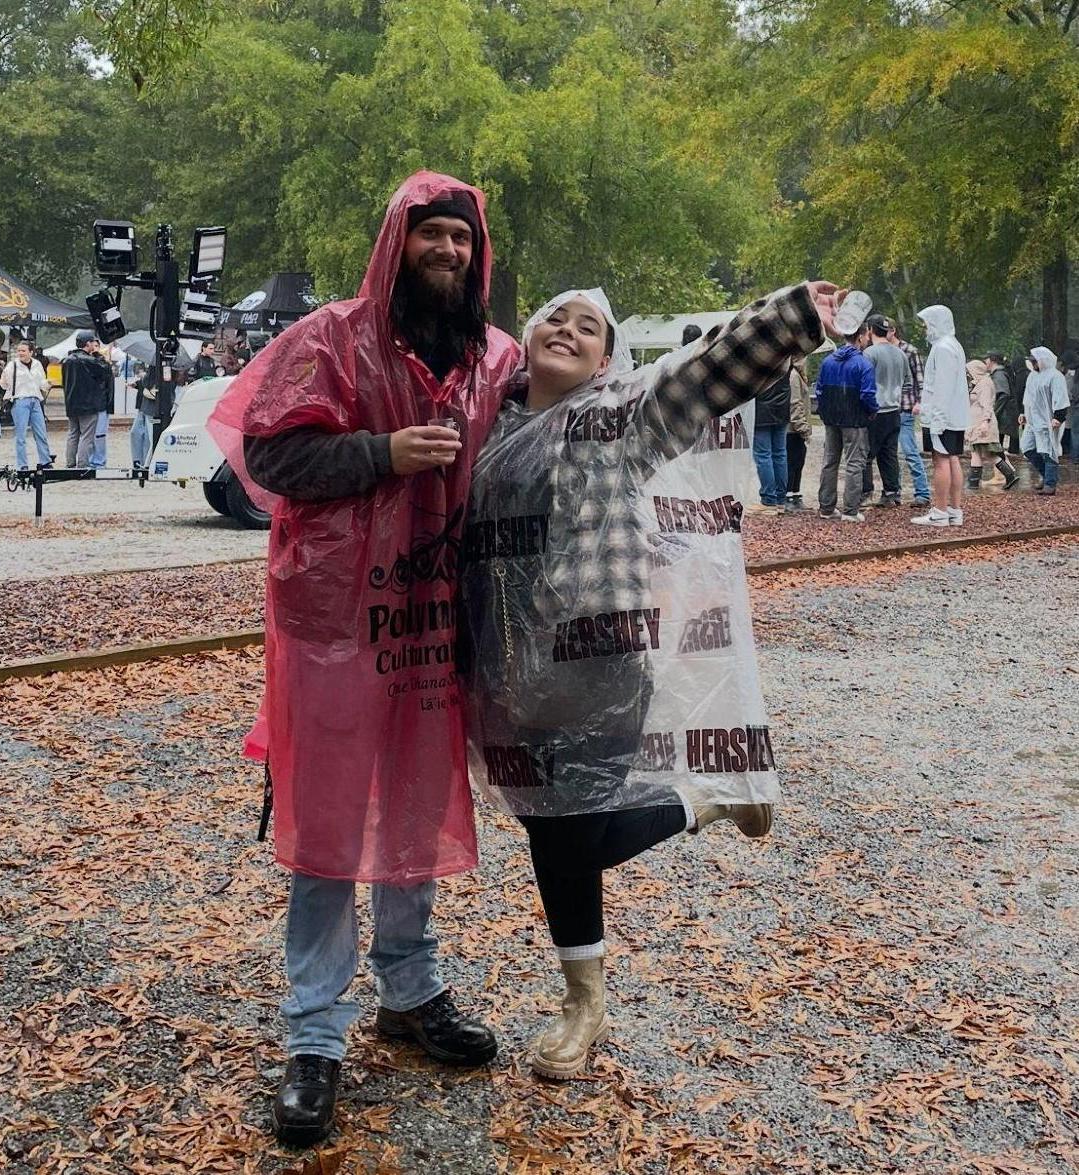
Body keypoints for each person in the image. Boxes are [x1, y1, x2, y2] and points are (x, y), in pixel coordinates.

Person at [207, 172, 520, 1147]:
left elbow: (568, 437)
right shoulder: (328, 341)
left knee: (417, 802)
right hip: (337, 626)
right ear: (398, 242)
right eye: (432, 236)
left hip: (436, 620)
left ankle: (411, 988)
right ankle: (313, 1036)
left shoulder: (491, 359)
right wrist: (383, 452)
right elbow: (271, 459)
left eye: (462, 242)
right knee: (330, 820)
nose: (448, 254)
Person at [460, 280, 838, 1080]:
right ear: (525, 338)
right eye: (553, 318)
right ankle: (705, 800)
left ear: (605, 356)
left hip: (598, 663)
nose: (566, 330)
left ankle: (582, 1003)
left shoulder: (620, 414)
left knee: (571, 834)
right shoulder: (486, 424)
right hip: (505, 671)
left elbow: (702, 373)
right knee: (551, 827)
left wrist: (792, 315)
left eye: (587, 326)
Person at [912, 305, 969, 527]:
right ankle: (954, 510)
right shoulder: (954, 345)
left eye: (927, 324)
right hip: (953, 415)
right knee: (952, 457)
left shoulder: (942, 348)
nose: (925, 329)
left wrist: (937, 419)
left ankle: (941, 511)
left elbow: (942, 387)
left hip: (943, 416)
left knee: (941, 461)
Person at [815, 321, 878, 521]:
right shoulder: (864, 364)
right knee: (854, 463)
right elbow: (868, 394)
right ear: (859, 337)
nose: (868, 339)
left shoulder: (827, 361)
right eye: (866, 335)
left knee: (830, 461)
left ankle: (826, 507)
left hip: (832, 419)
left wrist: (825, 413)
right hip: (855, 420)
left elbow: (819, 391)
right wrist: (873, 410)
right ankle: (850, 510)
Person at [861, 315, 907, 507]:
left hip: (875, 410)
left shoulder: (869, 354)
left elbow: (865, 382)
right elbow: (908, 382)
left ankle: (865, 491)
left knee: (865, 454)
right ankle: (892, 492)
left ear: (870, 330)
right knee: (889, 453)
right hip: (894, 409)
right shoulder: (900, 353)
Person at [1019, 347, 1069, 496]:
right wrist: (1024, 413)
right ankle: (1048, 475)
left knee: (1049, 451)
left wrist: (1058, 417)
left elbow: (1061, 399)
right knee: (1027, 447)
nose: (1033, 363)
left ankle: (1050, 483)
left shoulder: (1055, 376)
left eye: (1035, 361)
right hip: (1033, 420)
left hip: (1049, 420)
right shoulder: (1032, 376)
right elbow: (1028, 397)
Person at [891, 323, 930, 507]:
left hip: (906, 407)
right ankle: (894, 492)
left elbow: (920, 378)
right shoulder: (880, 350)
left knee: (909, 450)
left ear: (893, 331)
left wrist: (919, 402)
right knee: (891, 453)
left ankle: (922, 492)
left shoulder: (909, 351)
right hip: (888, 408)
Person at [0, 341, 54, 471]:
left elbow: (41, 382)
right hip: (20, 401)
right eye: (19, 351)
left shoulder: (37, 364)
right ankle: (22, 465)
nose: (20, 353)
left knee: (41, 432)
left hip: (35, 400)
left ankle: (45, 461)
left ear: (31, 352)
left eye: (23, 351)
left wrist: (48, 384)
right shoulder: (12, 365)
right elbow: (3, 383)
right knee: (21, 435)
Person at [62, 331, 112, 468]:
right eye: (92, 343)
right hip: (88, 405)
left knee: (73, 434)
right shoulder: (89, 360)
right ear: (88, 343)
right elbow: (105, 369)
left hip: (71, 404)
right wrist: (97, 354)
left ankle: (70, 463)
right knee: (86, 436)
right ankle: (83, 464)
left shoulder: (67, 360)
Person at [964, 359, 1016, 490]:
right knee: (979, 453)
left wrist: (985, 423)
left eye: (969, 371)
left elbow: (987, 405)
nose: (967, 374)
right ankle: (974, 483)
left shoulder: (985, 384)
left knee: (986, 453)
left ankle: (974, 483)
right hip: (977, 424)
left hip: (982, 424)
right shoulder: (978, 383)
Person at [749, 368, 790, 513]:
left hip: (761, 410)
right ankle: (780, 500)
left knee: (763, 455)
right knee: (780, 454)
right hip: (782, 407)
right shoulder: (787, 354)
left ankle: (768, 500)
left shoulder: (759, 356)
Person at [784, 357, 811, 510]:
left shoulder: (799, 375)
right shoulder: (794, 376)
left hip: (796, 428)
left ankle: (796, 493)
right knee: (792, 462)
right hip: (793, 429)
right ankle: (788, 494)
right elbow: (795, 404)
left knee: (799, 462)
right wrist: (803, 428)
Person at [985, 351, 1021, 468]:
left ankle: (1005, 472)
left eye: (987, 359)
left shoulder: (999, 375)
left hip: (1003, 415)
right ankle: (1006, 472)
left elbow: (1003, 394)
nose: (985, 362)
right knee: (996, 446)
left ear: (992, 360)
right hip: (1005, 414)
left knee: (996, 446)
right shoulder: (1000, 373)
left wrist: (994, 412)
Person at [129, 363, 156, 471]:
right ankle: (140, 461)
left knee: (148, 436)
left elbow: (147, 382)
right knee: (138, 433)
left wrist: (143, 377)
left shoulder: (154, 366)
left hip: (150, 406)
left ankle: (144, 462)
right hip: (145, 405)